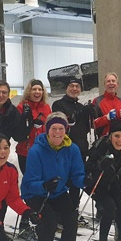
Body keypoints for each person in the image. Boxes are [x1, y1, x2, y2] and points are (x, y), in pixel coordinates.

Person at [21, 112, 85, 241]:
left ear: (66, 130)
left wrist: (86, 181)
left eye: (61, 128)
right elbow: (30, 181)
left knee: (71, 220)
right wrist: (43, 185)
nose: (57, 132)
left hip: (57, 192)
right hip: (35, 193)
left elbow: (77, 174)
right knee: (48, 223)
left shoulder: (72, 148)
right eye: (54, 128)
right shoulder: (36, 150)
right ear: (47, 130)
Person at [51, 79, 96, 221]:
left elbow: (88, 127)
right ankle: (59, 213)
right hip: (64, 149)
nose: (74, 88)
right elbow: (62, 122)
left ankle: (73, 210)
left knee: (77, 182)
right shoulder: (59, 104)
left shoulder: (81, 107)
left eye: (77, 86)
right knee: (63, 181)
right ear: (66, 88)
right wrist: (78, 115)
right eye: (71, 86)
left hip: (81, 150)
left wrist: (91, 113)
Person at [15, 79, 52, 173]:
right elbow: (17, 130)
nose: (37, 92)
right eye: (34, 89)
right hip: (25, 151)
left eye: (40, 89)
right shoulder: (21, 107)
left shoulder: (46, 107)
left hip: (43, 150)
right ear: (29, 91)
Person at [92, 72, 121, 138]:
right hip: (104, 140)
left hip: (120, 139)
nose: (111, 83)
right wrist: (107, 118)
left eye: (113, 81)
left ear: (117, 84)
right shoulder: (97, 101)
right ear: (104, 85)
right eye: (108, 81)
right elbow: (92, 124)